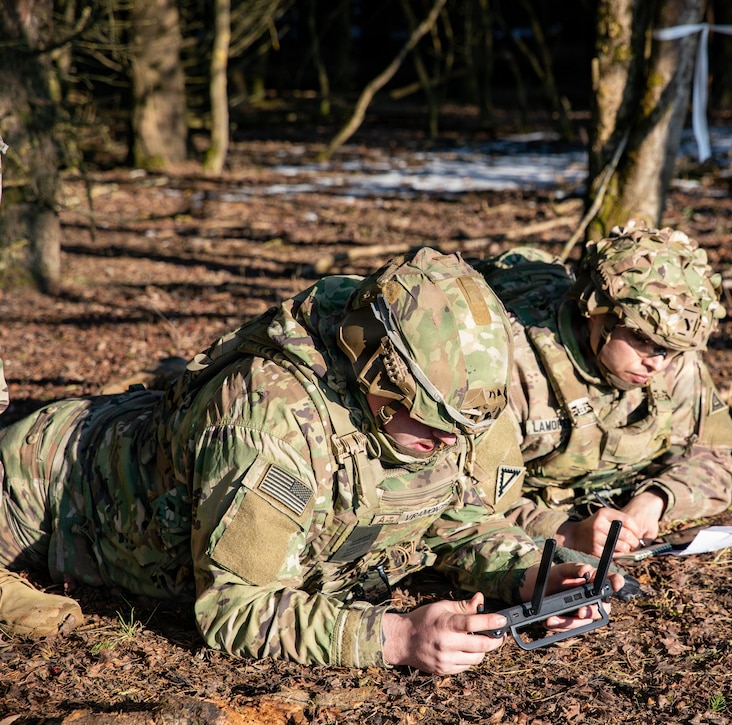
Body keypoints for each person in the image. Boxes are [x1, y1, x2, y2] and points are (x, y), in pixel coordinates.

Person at [0, 248, 619, 675]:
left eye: (463, 430)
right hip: (45, 480)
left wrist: (531, 574)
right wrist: (396, 638)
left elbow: (450, 515)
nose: (451, 443)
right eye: (435, 423)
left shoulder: (447, 406)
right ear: (380, 377)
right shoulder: (270, 419)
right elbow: (236, 609)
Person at [475, 224, 732, 559]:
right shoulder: (512, 365)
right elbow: (463, 501)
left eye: (670, 350)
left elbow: (713, 461)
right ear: (596, 312)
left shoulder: (674, 357)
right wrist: (565, 532)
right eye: (641, 339)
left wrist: (656, 500)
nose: (656, 363)